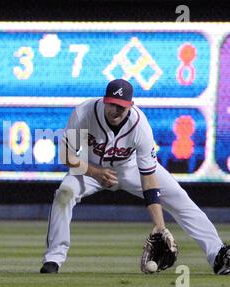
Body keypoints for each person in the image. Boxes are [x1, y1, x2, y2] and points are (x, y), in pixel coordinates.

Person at [40, 78, 230, 275]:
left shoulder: (140, 126)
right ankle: (54, 258)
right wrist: (96, 172)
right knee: (64, 194)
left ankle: (217, 255)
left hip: (131, 168)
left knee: (180, 198)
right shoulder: (84, 114)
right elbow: (66, 155)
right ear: (105, 100)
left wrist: (159, 225)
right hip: (90, 168)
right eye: (112, 104)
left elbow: (148, 178)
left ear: (131, 105)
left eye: (121, 106)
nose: (115, 110)